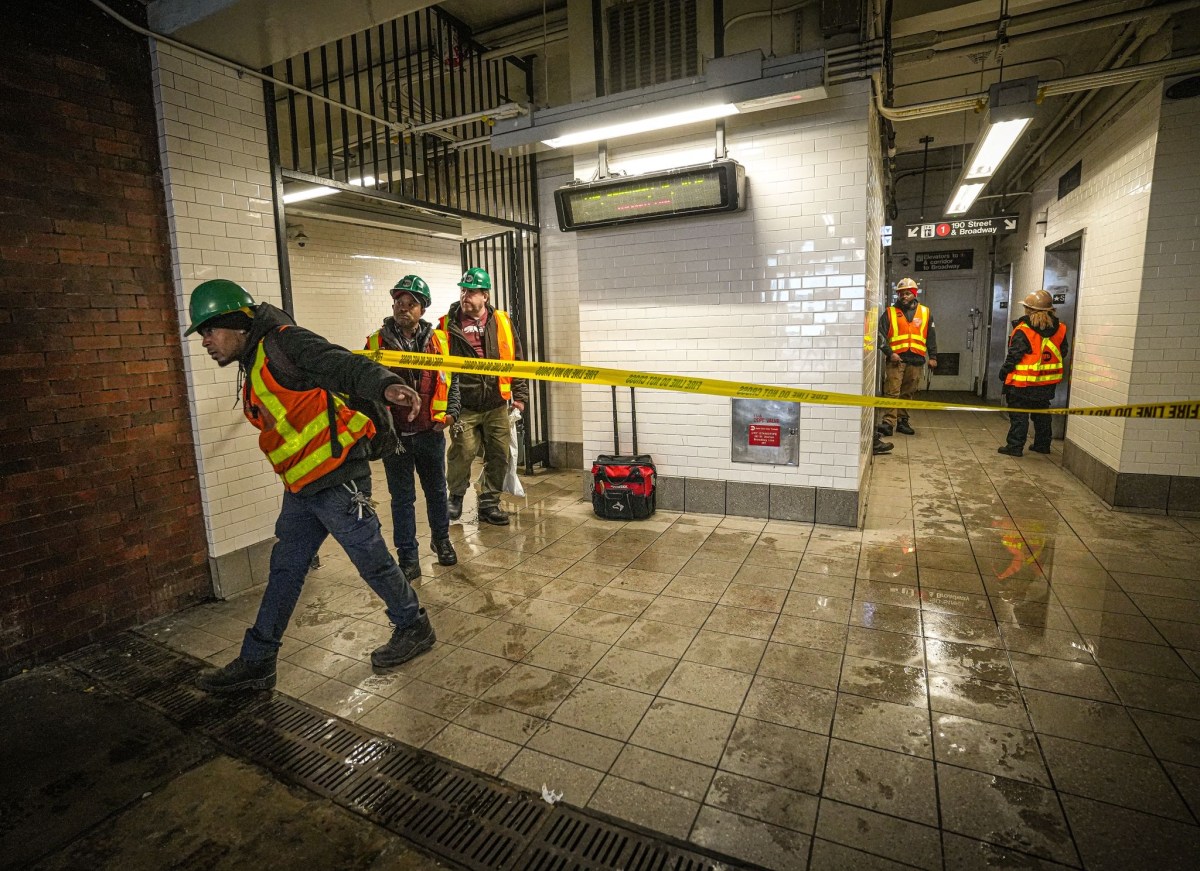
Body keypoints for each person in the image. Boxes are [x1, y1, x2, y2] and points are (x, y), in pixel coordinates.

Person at [186, 279, 436, 693]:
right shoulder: (256, 360)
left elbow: (343, 364)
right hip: (303, 486)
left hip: (338, 478)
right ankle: (258, 660)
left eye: (209, 331)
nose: (205, 342)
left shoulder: (285, 342)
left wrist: (385, 384)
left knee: (371, 559)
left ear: (235, 323)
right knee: (285, 569)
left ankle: (414, 626)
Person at [366, 275, 460, 580]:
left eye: (411, 304)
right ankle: (407, 557)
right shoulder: (375, 343)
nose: (403, 308)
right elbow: (366, 386)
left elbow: (451, 380)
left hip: (429, 433)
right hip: (395, 437)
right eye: (399, 303)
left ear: (423, 309)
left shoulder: (439, 340)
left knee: (436, 491)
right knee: (402, 498)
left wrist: (451, 413)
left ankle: (441, 541)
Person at [439, 267, 529, 526]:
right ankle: (455, 496)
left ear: (485, 296)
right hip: (464, 404)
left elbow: (517, 359)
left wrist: (520, 397)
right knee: (463, 451)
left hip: (496, 402)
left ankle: (489, 503)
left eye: (471, 292)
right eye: (463, 291)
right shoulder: (447, 324)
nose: (466, 296)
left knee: (500, 454)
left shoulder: (502, 320)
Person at [997, 289, 1070, 457]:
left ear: (1028, 310)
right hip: (1046, 382)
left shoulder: (1024, 330)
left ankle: (1015, 447)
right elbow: (1062, 352)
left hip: (1022, 383)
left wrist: (1004, 371)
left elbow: (1015, 355)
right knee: (1042, 413)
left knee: (1019, 416)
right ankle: (1042, 445)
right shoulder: (1060, 329)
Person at [877, 277, 937, 436]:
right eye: (901, 293)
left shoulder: (925, 313)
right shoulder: (890, 313)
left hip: (916, 360)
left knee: (908, 392)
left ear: (914, 294)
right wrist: (890, 353)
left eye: (907, 293)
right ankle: (888, 423)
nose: (904, 296)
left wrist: (933, 356)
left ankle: (903, 421)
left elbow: (931, 336)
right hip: (896, 360)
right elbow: (880, 335)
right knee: (892, 391)